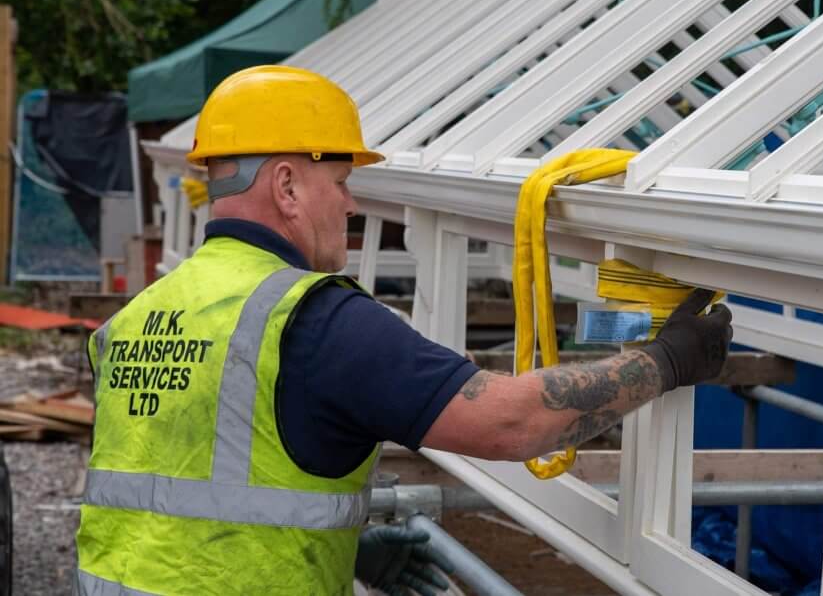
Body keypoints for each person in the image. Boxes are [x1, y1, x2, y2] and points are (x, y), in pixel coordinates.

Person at [74, 65, 733, 596]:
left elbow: (175, 483)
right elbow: (508, 422)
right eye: (340, 179)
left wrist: (347, 543)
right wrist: (669, 360)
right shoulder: (316, 320)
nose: (351, 202)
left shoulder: (137, 318)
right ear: (287, 186)